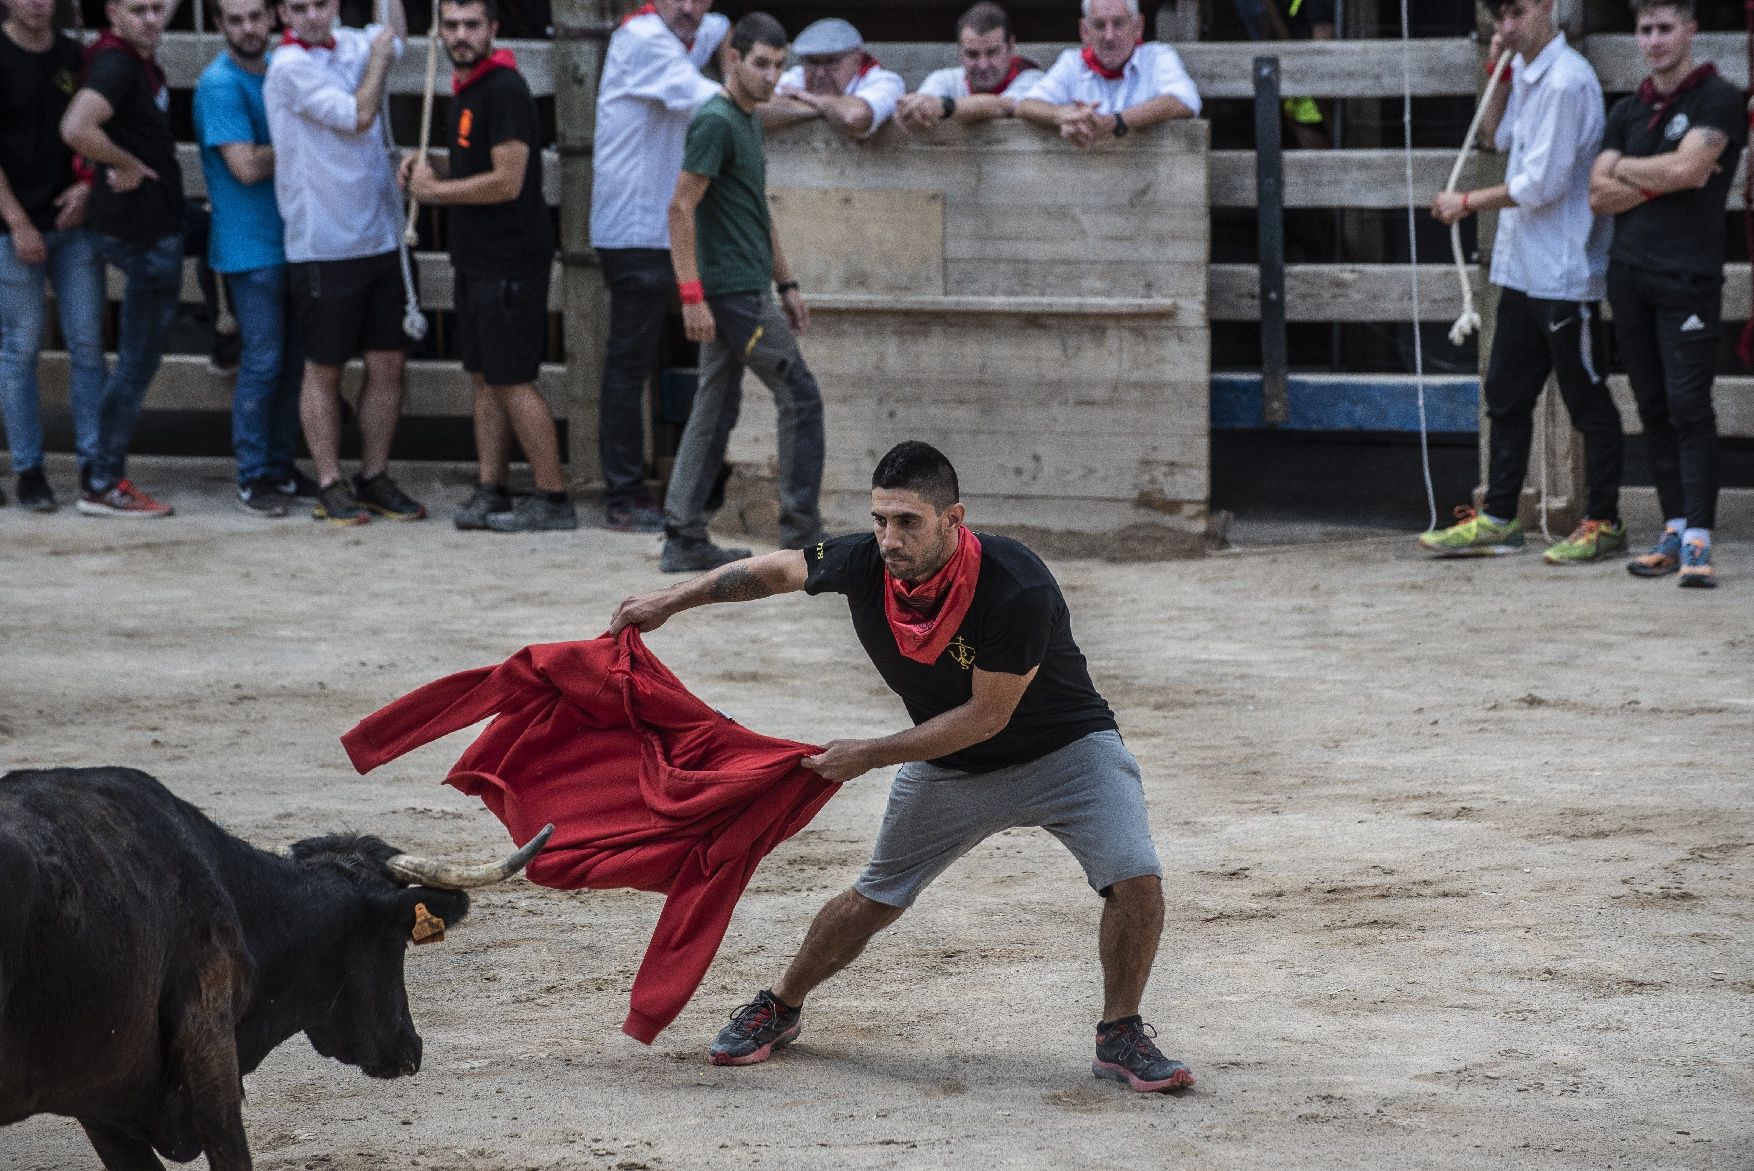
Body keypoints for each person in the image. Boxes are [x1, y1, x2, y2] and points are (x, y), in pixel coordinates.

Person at [609, 441, 1193, 1094]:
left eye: (908, 521)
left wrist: (869, 753)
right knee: (872, 900)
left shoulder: (1016, 584)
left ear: (954, 518)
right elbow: (776, 571)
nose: (889, 537)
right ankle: (782, 1002)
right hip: (949, 765)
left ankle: (1120, 1032)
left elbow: (986, 716)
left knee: (1137, 879)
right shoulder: (863, 561)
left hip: (1068, 753)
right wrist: (671, 600)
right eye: (881, 519)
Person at [1421, 0, 1624, 565]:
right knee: (1506, 396)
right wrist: (1496, 74)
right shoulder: (1529, 75)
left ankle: (1604, 520)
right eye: (1499, 17)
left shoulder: (1566, 81)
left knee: (1586, 399)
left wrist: (1465, 202)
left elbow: (1542, 185)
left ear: (1548, 9)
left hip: (1562, 271)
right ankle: (1500, 518)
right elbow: (1496, 139)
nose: (1506, 27)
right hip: (1521, 270)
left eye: (1517, 13)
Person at [661, 11, 825, 574]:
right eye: (761, 64)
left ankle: (683, 532)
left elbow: (756, 211)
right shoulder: (716, 122)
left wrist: (787, 282)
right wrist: (691, 295)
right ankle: (803, 539)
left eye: (780, 66)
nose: (771, 76)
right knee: (800, 397)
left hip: (745, 286)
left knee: (716, 404)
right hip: (731, 293)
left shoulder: (747, 118)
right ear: (733, 58)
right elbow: (680, 208)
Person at [401, 0, 572, 532]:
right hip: (475, 259)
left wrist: (437, 191)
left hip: (510, 262)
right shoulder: (466, 89)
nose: (460, 35)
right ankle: (490, 487)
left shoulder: (504, 89)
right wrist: (433, 169)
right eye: (451, 25)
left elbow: (509, 179)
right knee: (483, 378)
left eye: (472, 25)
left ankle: (553, 497)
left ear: (493, 30)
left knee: (512, 379)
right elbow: (479, 167)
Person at [1589, 0, 1744, 588]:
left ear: (1690, 31)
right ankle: (1673, 530)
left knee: (1688, 407)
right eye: (1644, 29)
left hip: (1688, 277)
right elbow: (1597, 196)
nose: (1654, 41)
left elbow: (1692, 171)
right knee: (1651, 407)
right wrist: (1663, 170)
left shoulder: (1718, 98)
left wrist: (1629, 170)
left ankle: (1701, 541)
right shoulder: (1628, 109)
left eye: (1665, 28)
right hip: (1629, 275)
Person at [266, 0, 427, 524]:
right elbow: (360, 116)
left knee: (388, 363)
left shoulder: (355, 43)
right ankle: (331, 479)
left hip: (379, 235)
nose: (312, 15)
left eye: (320, 4)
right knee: (324, 368)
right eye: (299, 7)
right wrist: (379, 56)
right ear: (283, 14)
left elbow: (394, 30)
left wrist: (381, 42)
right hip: (323, 244)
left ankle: (374, 474)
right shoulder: (289, 66)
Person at [588, 0, 728, 534]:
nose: (691, 7)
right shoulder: (642, 38)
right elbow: (722, 98)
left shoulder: (692, 27)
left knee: (687, 354)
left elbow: (719, 30)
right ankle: (623, 492)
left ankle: (681, 485)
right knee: (630, 364)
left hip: (666, 229)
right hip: (635, 230)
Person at [59, 0, 184, 517]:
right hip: (143, 237)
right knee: (135, 365)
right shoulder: (115, 62)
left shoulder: (133, 54)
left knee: (135, 361)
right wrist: (125, 161)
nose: (152, 18)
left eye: (158, 8)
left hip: (155, 229)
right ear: (113, 12)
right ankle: (104, 481)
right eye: (138, 9)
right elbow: (76, 127)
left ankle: (102, 475)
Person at [195, 0, 313, 518]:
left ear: (272, 18)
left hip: (290, 239)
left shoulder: (276, 70)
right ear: (219, 24)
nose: (246, 28)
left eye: (254, 17)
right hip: (249, 246)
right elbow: (243, 167)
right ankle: (252, 476)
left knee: (290, 364)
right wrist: (303, 137)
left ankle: (280, 467)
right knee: (263, 363)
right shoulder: (219, 83)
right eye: (234, 19)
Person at [0, 0, 104, 513]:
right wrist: (17, 221)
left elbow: (101, 129)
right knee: (20, 349)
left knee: (87, 342)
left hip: (71, 224)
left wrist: (87, 190)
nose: (37, 2)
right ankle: (29, 468)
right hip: (11, 226)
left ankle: (93, 462)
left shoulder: (74, 55)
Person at [1015, 0, 1201, 149]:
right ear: (1085, 31)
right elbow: (1025, 105)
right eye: (1099, 25)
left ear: (1138, 26)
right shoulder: (1072, 62)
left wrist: (1116, 122)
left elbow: (1184, 100)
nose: (1109, 35)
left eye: (1118, 23)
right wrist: (1063, 115)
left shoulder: (1158, 56)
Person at [894, 2, 1042, 131]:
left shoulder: (1033, 79)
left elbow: (1003, 106)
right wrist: (913, 107)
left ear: (1010, 46)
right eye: (973, 54)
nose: (983, 65)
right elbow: (924, 102)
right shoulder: (945, 79)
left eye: (992, 53)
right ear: (960, 51)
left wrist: (945, 106)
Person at [762, 16, 905, 140]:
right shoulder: (798, 75)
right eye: (813, 62)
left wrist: (806, 99)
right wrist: (820, 108)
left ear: (857, 60)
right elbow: (753, 106)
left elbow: (854, 118)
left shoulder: (886, 81)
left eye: (831, 62)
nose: (820, 74)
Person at [1230, 0, 1334, 149]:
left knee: (1316, 141)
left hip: (1309, 88)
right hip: (1289, 84)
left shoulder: (1314, 6)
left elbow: (1323, 39)